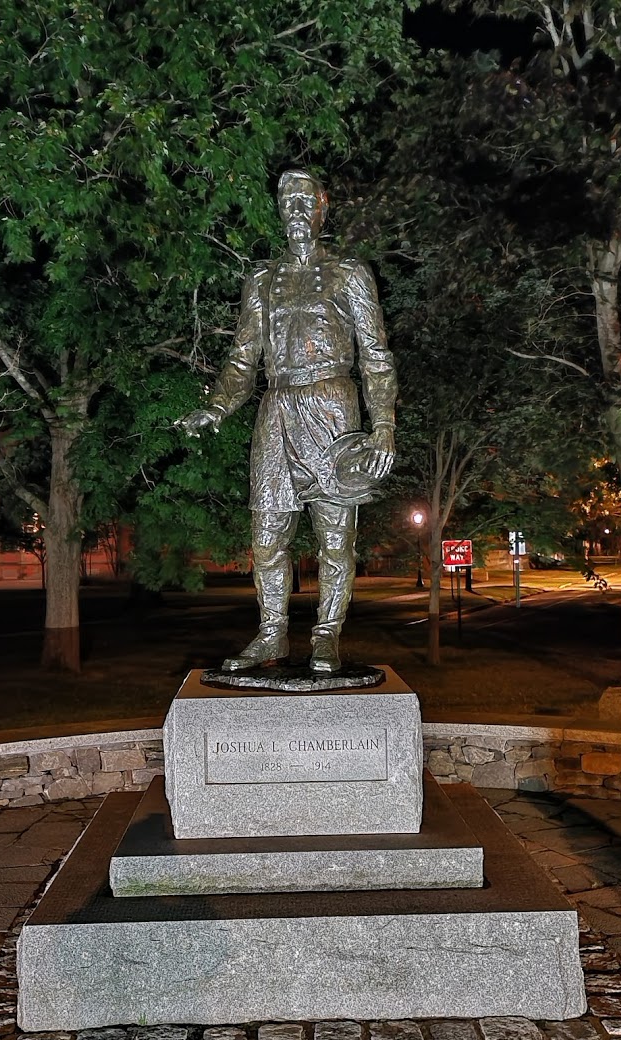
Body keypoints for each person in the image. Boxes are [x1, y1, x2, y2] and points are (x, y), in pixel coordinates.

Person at [180, 168, 396, 673]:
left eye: (305, 201)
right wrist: (216, 406)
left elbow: (376, 357)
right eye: (288, 202)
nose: (296, 211)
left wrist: (383, 425)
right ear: (279, 211)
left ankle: (326, 636)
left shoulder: (349, 273)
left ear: (322, 208)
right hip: (276, 411)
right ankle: (272, 633)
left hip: (333, 410)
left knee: (336, 539)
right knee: (267, 537)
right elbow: (242, 358)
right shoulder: (261, 281)